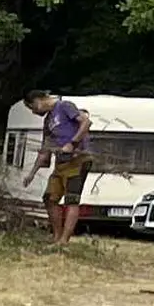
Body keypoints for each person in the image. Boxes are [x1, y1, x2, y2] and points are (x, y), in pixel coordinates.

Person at [31, 87, 94, 242]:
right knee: (49, 198)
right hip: (61, 163)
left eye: (32, 107)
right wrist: (32, 173)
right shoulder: (48, 121)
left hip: (78, 159)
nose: (34, 112)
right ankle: (56, 236)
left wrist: (72, 143)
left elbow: (86, 122)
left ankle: (64, 240)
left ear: (38, 101)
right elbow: (45, 149)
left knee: (71, 199)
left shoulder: (65, 106)